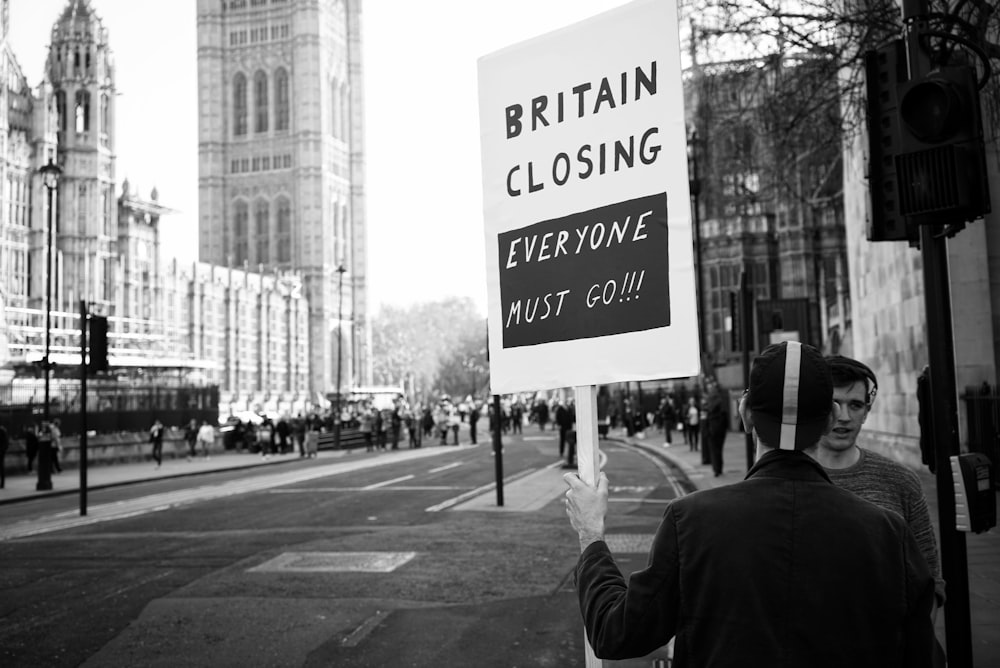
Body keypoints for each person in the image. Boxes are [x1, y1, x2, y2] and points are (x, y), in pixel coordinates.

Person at [564, 341, 935, 666]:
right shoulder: (887, 532)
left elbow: (616, 633)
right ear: (827, 422)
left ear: (745, 415)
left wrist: (591, 536)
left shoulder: (691, 520)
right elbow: (921, 654)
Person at [818, 355, 947, 610]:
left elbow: (928, 579)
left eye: (855, 405)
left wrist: (916, 647)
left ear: (867, 411)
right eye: (833, 403)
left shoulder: (900, 481)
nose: (843, 416)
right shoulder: (785, 476)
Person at [0, 423, 8, 488]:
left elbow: (5, 443)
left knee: (1, 468)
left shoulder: (2, 431)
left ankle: (2, 484)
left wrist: (2, 451)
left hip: (0, 453)